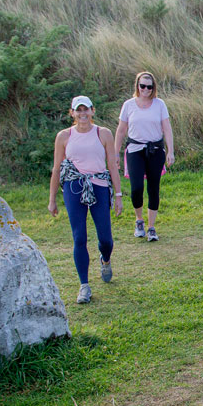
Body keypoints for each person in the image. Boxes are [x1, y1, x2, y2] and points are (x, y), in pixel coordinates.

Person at [49, 96, 123, 304]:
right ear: (72, 113)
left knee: (105, 239)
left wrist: (118, 195)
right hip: (74, 187)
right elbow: (57, 168)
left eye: (86, 109)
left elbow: (112, 165)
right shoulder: (64, 136)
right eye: (78, 110)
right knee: (79, 237)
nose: (82, 114)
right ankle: (84, 286)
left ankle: (105, 259)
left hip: (98, 186)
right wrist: (52, 199)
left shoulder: (103, 134)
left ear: (92, 111)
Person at [114, 71, 175, 242]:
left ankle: (151, 227)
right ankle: (138, 220)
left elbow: (167, 128)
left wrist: (170, 151)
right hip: (135, 149)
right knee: (136, 188)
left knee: (153, 188)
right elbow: (120, 130)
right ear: (137, 86)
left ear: (153, 87)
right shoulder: (129, 105)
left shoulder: (159, 104)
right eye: (143, 86)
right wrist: (115, 153)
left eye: (149, 86)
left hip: (155, 149)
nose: (146, 90)